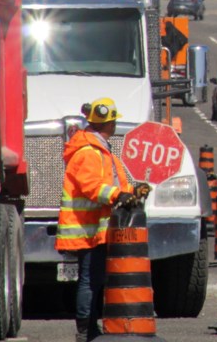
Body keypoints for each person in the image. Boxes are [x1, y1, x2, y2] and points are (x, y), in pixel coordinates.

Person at [56, 98, 151, 342]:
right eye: (114, 121)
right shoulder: (89, 153)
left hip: (95, 231)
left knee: (95, 280)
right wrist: (120, 194)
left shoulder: (101, 150)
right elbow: (94, 188)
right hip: (85, 230)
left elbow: (114, 183)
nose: (116, 124)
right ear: (108, 123)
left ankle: (91, 328)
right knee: (89, 281)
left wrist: (132, 191)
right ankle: (85, 331)